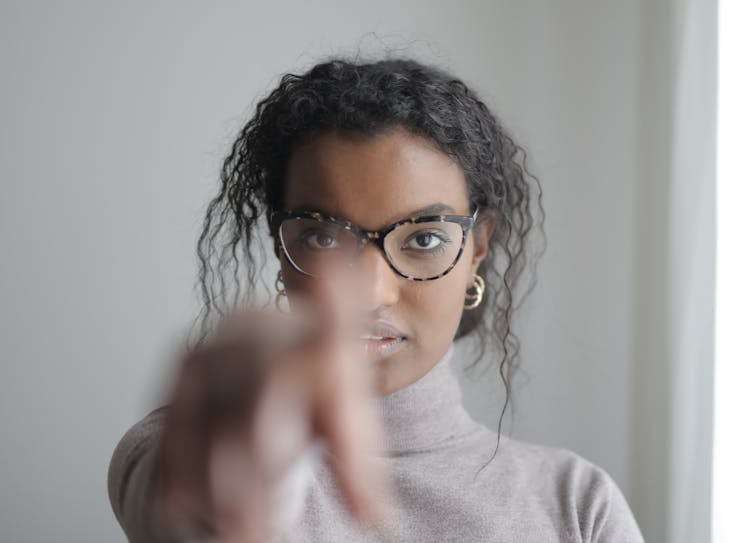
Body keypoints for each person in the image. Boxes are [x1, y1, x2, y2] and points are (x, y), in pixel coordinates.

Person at [108, 56, 645, 543]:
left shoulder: (577, 506)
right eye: (322, 236)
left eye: (424, 238)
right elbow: (193, 511)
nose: (370, 293)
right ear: (280, 246)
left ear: (478, 248)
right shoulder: (176, 450)